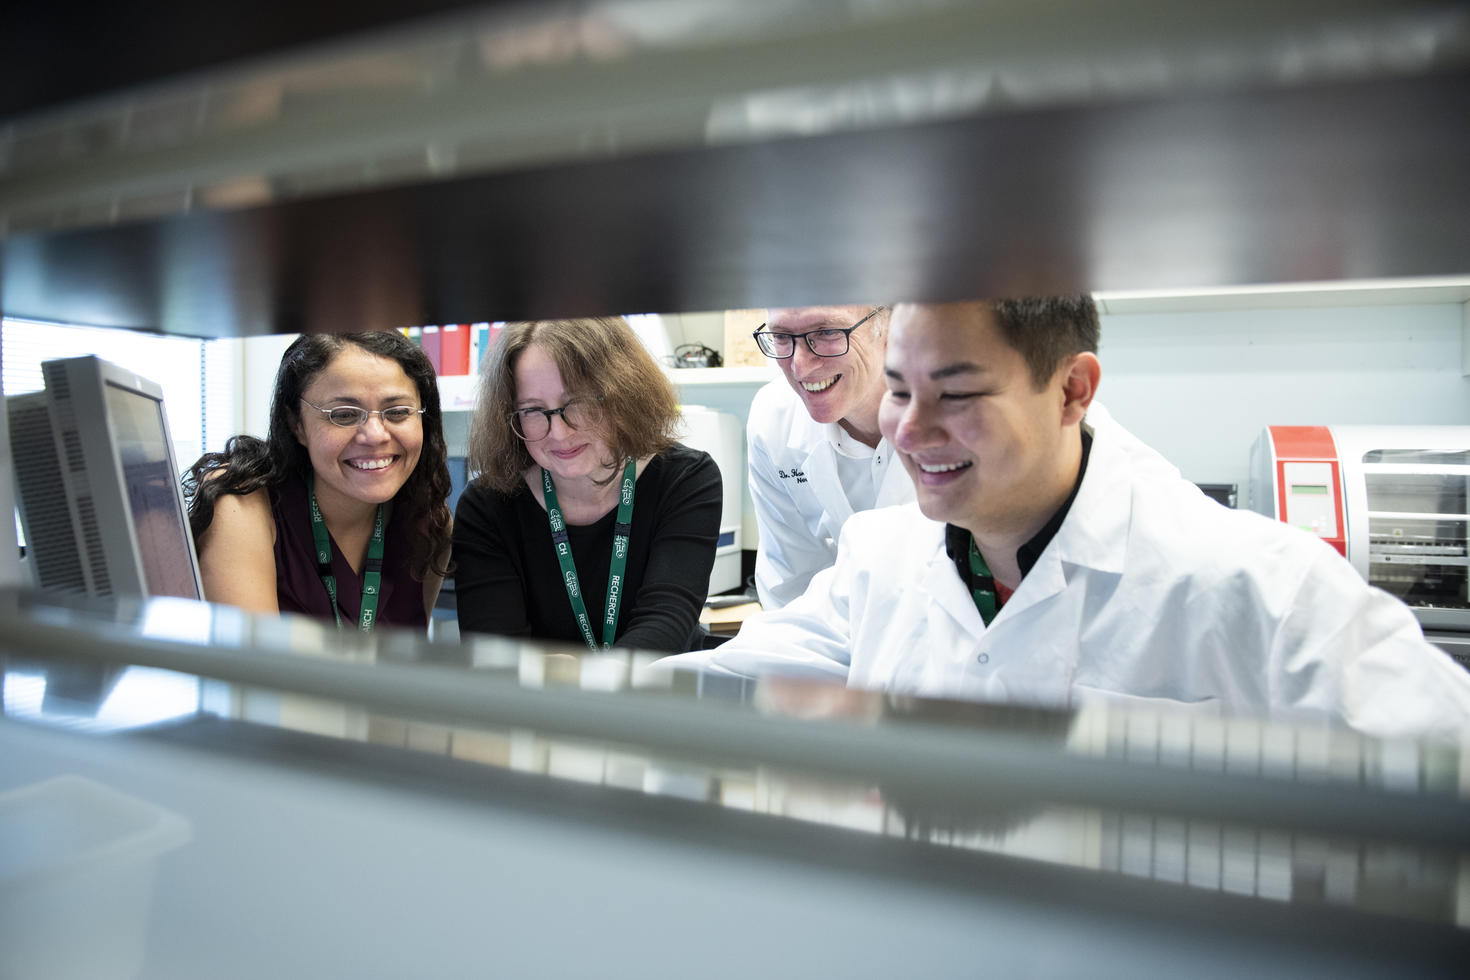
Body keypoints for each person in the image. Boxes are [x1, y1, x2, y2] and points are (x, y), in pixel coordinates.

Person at [664, 297, 1470, 743]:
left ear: (1072, 390)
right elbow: (724, 674)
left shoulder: (1257, 584)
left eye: (959, 394)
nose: (907, 431)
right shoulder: (882, 557)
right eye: (902, 390)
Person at [746, 303, 1175, 609]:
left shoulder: (1083, 446)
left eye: (827, 333)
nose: (800, 366)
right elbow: (795, 593)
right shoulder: (872, 549)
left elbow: (1163, 525)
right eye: (781, 338)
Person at [452, 316, 723, 652]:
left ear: (622, 393)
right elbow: (497, 658)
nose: (560, 432)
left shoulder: (685, 479)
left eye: (577, 403)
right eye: (533, 410)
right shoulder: (487, 506)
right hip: (540, 704)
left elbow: (665, 623)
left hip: (655, 697)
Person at [185, 332, 453, 631]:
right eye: (344, 415)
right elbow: (251, 672)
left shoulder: (429, 522)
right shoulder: (242, 504)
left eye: (398, 412)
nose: (376, 434)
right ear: (296, 424)